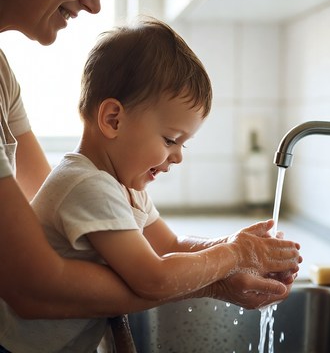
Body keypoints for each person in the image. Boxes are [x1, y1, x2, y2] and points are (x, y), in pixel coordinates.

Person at [0, 18, 302, 352]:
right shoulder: (87, 186)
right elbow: (154, 278)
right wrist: (235, 254)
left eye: (183, 144)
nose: (177, 157)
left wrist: (240, 251)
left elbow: (170, 245)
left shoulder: (124, 188)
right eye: (171, 139)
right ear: (113, 119)